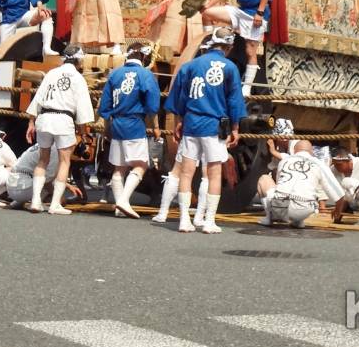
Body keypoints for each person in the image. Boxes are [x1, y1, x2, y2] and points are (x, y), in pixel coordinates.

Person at [164, 26, 247, 233]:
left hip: (191, 123)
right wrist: (236, 127)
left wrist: (179, 122)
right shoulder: (229, 68)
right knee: (213, 172)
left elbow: (179, 98)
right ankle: (209, 220)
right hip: (213, 126)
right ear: (228, 46)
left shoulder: (190, 66)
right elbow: (234, 100)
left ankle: (184, 219)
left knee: (186, 172)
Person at [25, 43, 95, 215]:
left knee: (43, 160)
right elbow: (83, 108)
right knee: (65, 161)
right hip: (63, 120)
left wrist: (31, 122)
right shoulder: (78, 78)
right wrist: (84, 133)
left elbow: (38, 98)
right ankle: (55, 203)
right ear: (78, 60)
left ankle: (35, 201)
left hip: (44, 119)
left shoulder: (51, 73)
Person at [98, 42, 161, 219]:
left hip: (116, 123)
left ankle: (119, 208)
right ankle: (124, 201)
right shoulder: (146, 75)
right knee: (141, 165)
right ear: (143, 56)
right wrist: (156, 127)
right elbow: (152, 106)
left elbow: (105, 106)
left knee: (120, 167)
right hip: (134, 123)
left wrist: (107, 128)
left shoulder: (115, 74)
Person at [257, 139, 343, 227]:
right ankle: (297, 221)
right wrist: (337, 211)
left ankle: (269, 217)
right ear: (311, 152)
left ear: (294, 150)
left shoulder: (284, 161)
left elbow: (279, 184)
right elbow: (339, 195)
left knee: (264, 179)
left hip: (280, 207)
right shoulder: (319, 164)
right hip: (304, 210)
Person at [6, 143, 59, 208]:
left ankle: (19, 201)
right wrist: (58, 197)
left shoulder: (41, 144)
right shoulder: (55, 149)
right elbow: (48, 181)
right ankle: (36, 203)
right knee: (48, 178)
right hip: (24, 190)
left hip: (10, 187)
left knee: (40, 174)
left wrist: (68, 185)